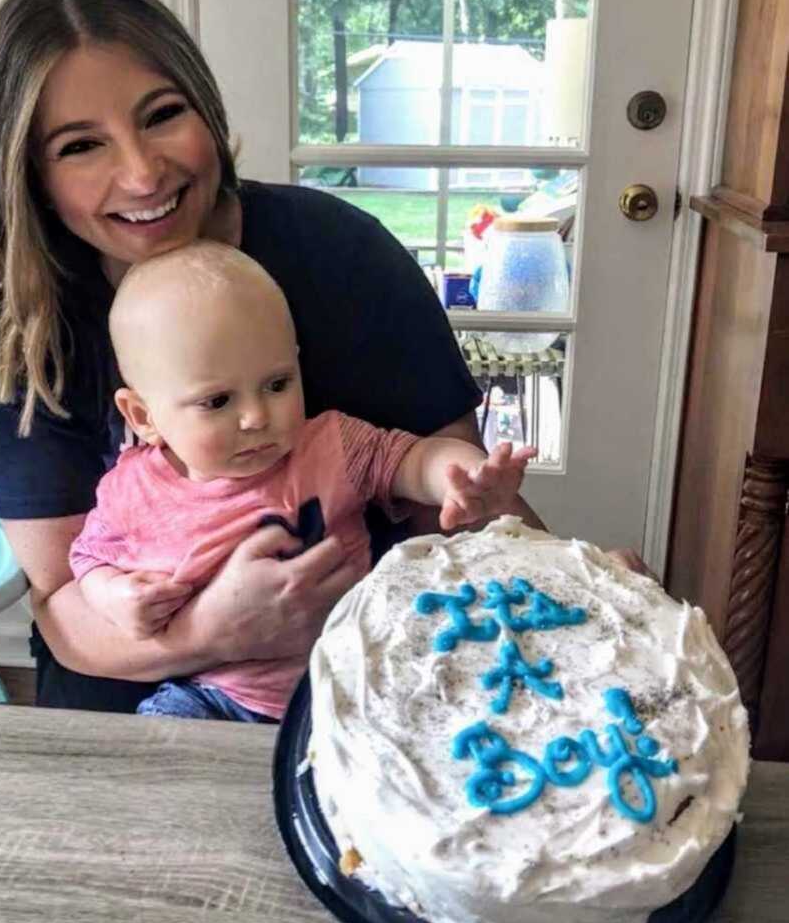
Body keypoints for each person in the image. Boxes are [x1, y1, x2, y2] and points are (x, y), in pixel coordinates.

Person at [0, 0, 545, 712]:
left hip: (364, 673)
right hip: (133, 687)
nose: (141, 174)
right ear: (26, 175)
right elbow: (65, 601)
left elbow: (454, 511)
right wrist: (219, 629)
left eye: (161, 115)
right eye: (79, 147)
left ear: (203, 105)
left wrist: (575, 592)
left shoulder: (338, 253)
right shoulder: (24, 319)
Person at [68, 241, 535, 722]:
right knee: (162, 745)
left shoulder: (331, 444)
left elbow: (415, 460)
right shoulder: (132, 491)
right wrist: (115, 597)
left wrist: (462, 477)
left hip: (350, 678)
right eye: (217, 402)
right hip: (213, 696)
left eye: (277, 385)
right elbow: (86, 559)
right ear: (143, 415)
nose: (255, 417)